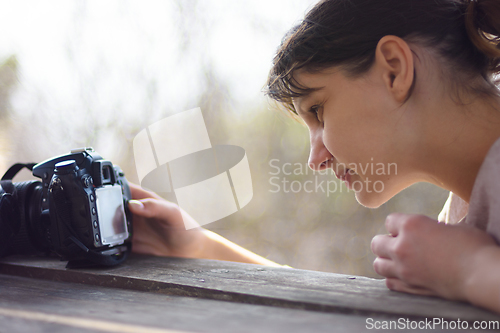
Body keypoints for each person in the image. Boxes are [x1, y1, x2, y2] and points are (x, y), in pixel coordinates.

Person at [129, 0, 500, 314]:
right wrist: (200, 247)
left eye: (318, 111)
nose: (315, 160)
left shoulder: (462, 247)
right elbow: (350, 316)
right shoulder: (462, 216)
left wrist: (470, 269)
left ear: (394, 70)